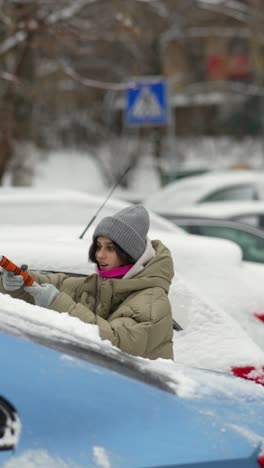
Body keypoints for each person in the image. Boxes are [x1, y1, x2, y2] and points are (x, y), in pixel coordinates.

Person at [0, 205, 174, 360]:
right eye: (98, 246)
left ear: (130, 254)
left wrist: (57, 303)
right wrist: (19, 282)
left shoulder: (152, 303)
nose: (99, 255)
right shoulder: (103, 284)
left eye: (110, 248)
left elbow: (114, 344)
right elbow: (58, 284)